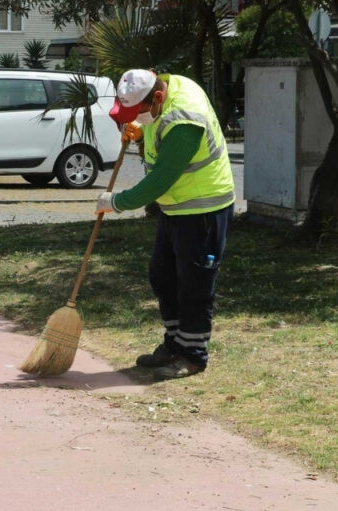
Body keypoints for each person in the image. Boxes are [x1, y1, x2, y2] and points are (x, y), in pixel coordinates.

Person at [96, 69, 235, 380]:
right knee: (163, 275)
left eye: (138, 113)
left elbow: (160, 180)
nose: (134, 118)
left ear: (157, 98)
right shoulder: (168, 88)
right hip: (177, 208)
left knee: (194, 285)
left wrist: (116, 202)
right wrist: (142, 131)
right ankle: (174, 344)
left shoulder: (185, 120)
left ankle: (193, 355)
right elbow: (156, 127)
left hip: (203, 209)